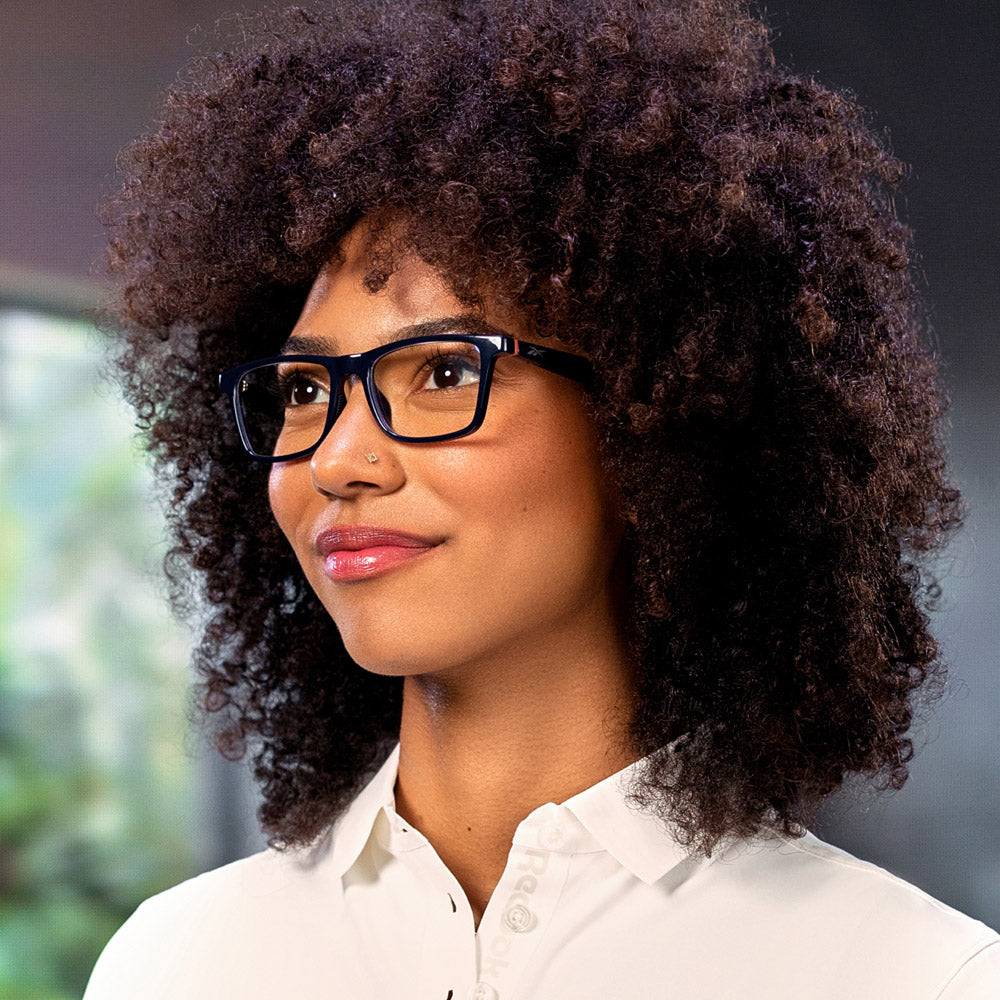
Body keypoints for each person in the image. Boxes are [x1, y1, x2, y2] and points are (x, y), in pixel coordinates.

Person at [84, 0, 999, 996]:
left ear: (656, 420)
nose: (339, 458)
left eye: (441, 371)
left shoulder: (912, 974)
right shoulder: (172, 963)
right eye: (306, 391)